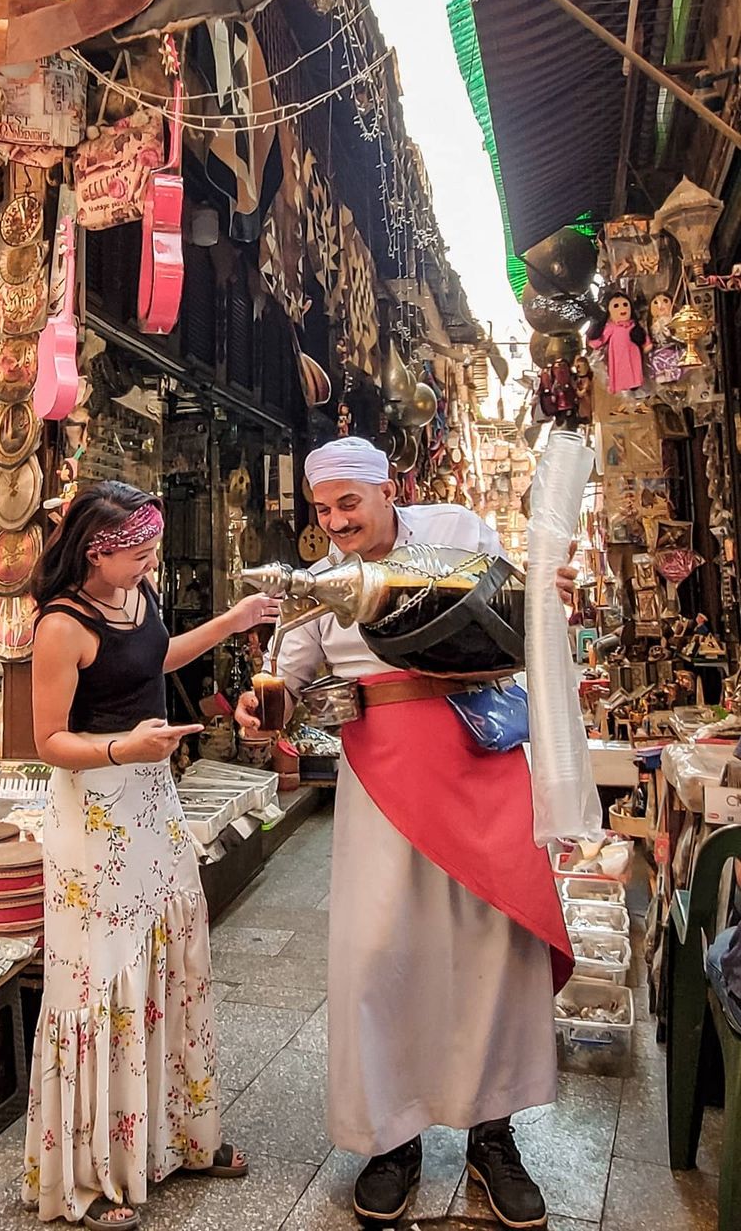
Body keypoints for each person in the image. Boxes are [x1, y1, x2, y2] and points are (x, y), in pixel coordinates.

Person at [235, 437, 577, 1230]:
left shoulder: (456, 528)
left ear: (390, 489)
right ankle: (395, 1137)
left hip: (480, 758)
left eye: (348, 503)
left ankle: (495, 1135)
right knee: (382, 954)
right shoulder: (318, 583)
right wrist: (263, 709)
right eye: (322, 510)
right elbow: (288, 673)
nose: (335, 521)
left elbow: (520, 607)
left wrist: (550, 594)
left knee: (496, 945)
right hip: (382, 776)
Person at [22, 480, 281, 1230]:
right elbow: (47, 742)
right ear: (96, 553)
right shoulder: (59, 625)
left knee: (171, 962)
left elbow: (156, 655)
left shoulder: (136, 596)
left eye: (151, 551)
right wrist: (122, 745)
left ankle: (175, 1138)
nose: (148, 563)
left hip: (153, 805)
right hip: (92, 815)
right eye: (137, 554)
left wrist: (233, 621)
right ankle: (93, 1176)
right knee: (102, 980)